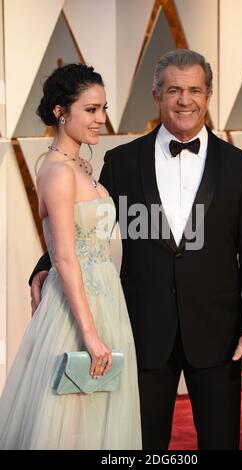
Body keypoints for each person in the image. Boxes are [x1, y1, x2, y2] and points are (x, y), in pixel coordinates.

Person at [29, 50, 242, 450]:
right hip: (141, 329)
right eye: (174, 89)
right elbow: (90, 221)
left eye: (195, 89)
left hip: (218, 333)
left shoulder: (240, 167)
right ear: (156, 96)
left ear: (208, 96)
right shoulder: (122, 161)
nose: (185, 100)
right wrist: (44, 266)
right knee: (142, 447)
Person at [0, 63, 142, 450]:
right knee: (68, 417)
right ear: (61, 111)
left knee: (96, 416)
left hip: (105, 300)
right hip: (75, 311)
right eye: (90, 110)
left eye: (103, 109)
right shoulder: (59, 171)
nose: (101, 120)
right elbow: (64, 257)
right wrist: (90, 333)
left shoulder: (81, 165)